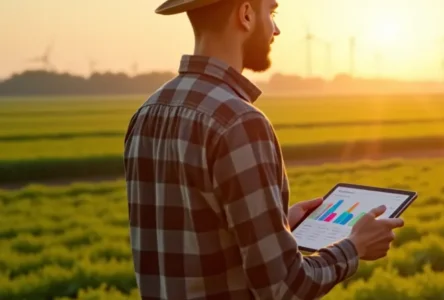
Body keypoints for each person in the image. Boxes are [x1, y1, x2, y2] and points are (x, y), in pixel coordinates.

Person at [123, 0, 405, 299]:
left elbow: (193, 236)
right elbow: (283, 288)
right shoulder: (239, 121)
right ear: (245, 15)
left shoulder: (148, 112)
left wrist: (278, 226)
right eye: (272, 13)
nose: (277, 29)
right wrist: (354, 246)